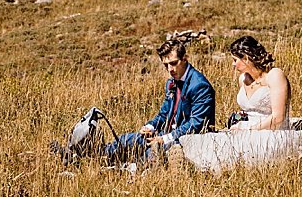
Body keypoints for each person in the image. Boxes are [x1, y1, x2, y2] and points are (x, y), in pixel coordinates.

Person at [54, 33, 216, 167]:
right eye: (166, 65)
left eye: (173, 63)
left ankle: (122, 168)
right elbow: (164, 113)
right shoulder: (172, 83)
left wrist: (164, 138)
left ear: (185, 59)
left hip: (186, 140)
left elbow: (197, 123)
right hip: (168, 134)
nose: (170, 69)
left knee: (150, 152)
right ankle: (86, 156)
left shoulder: (199, 85)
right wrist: (150, 126)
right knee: (128, 139)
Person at [175, 35, 302, 172]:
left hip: (272, 132)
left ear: (246, 58)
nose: (233, 64)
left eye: (235, 60)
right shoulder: (243, 79)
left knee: (235, 149)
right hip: (246, 128)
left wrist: (250, 130)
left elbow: (278, 117)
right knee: (210, 140)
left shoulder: (274, 75)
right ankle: (185, 162)